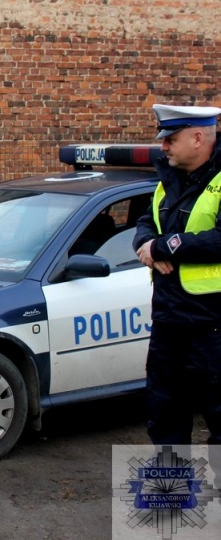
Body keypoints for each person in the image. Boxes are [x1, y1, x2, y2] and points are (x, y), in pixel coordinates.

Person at [134, 104, 221, 459]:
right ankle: (169, 509)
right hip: (169, 323)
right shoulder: (168, 180)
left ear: (198, 138)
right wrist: (144, 243)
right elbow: (143, 222)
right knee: (165, 417)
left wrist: (166, 246)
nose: (164, 147)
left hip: (213, 327)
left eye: (170, 139)